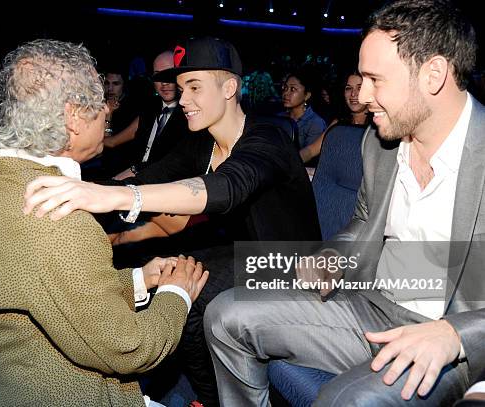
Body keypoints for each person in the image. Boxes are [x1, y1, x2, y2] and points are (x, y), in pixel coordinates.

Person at [204, 0, 484, 405]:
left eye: (375, 79)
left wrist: (456, 334)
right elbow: (364, 220)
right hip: (372, 307)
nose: (362, 95)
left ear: (434, 74)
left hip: (452, 346)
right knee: (225, 315)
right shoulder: (380, 142)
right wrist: (332, 255)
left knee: (340, 401)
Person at [22, 37, 321, 406]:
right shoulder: (201, 143)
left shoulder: (268, 136)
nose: (182, 100)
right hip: (243, 255)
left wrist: (118, 197)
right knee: (176, 274)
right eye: (181, 89)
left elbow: (226, 187)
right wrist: (63, 178)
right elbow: (149, 178)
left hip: (291, 264)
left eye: (194, 87)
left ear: (229, 87)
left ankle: (213, 399)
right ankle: (208, 394)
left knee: (190, 294)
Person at [0, 39, 209, 406]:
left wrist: (140, 278)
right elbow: (130, 349)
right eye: (100, 101)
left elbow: (51, 291)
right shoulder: (60, 221)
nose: (108, 111)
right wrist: (176, 293)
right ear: (74, 116)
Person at [114, 50, 190, 180]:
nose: (164, 83)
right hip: (130, 176)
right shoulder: (148, 108)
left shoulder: (190, 115)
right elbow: (119, 145)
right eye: (158, 76)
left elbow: (172, 164)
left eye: (169, 75)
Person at [299, 71, 371, 163]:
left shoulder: (376, 125)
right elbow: (311, 150)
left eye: (359, 88)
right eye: (348, 88)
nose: (353, 94)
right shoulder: (339, 123)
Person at [279, 69, 327, 149]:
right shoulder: (279, 117)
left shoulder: (315, 123)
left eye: (293, 89)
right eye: (285, 88)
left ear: (307, 95)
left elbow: (308, 155)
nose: (285, 93)